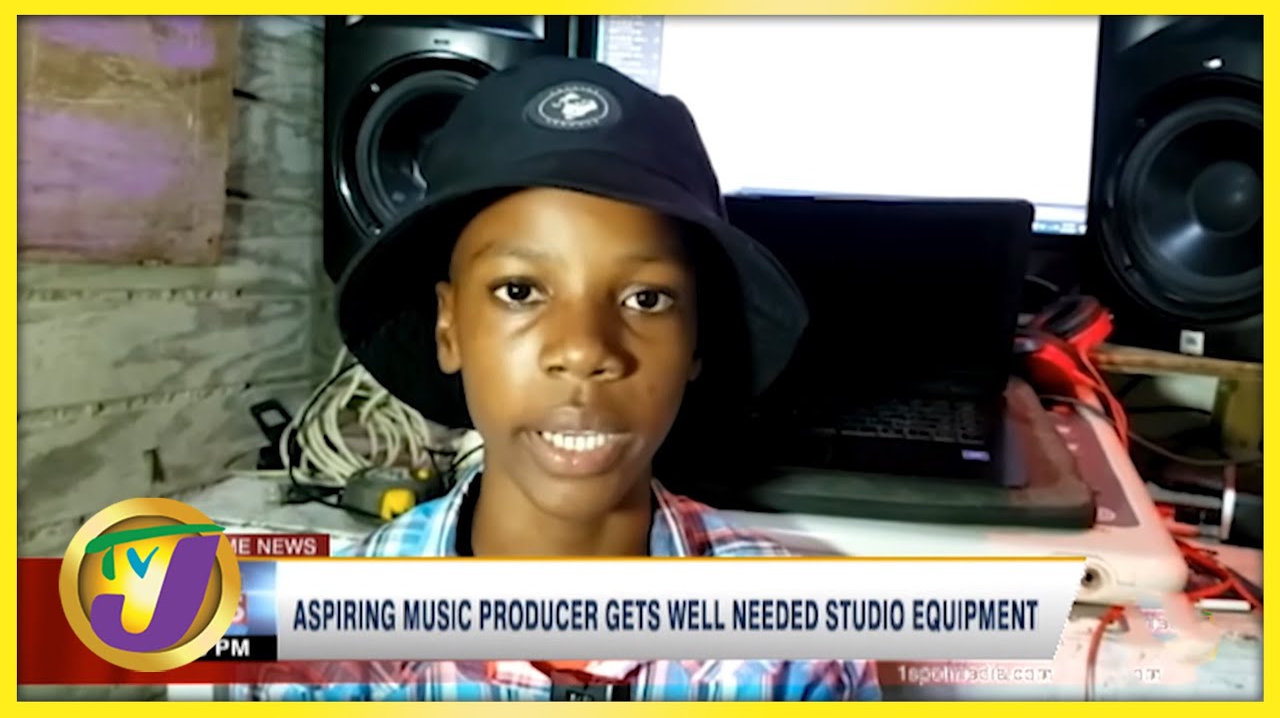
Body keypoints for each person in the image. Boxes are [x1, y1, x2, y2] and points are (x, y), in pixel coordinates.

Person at [237, 55, 879, 701]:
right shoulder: (311, 659)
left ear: (696, 340)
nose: (583, 350)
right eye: (519, 291)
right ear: (449, 327)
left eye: (647, 299)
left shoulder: (791, 657)